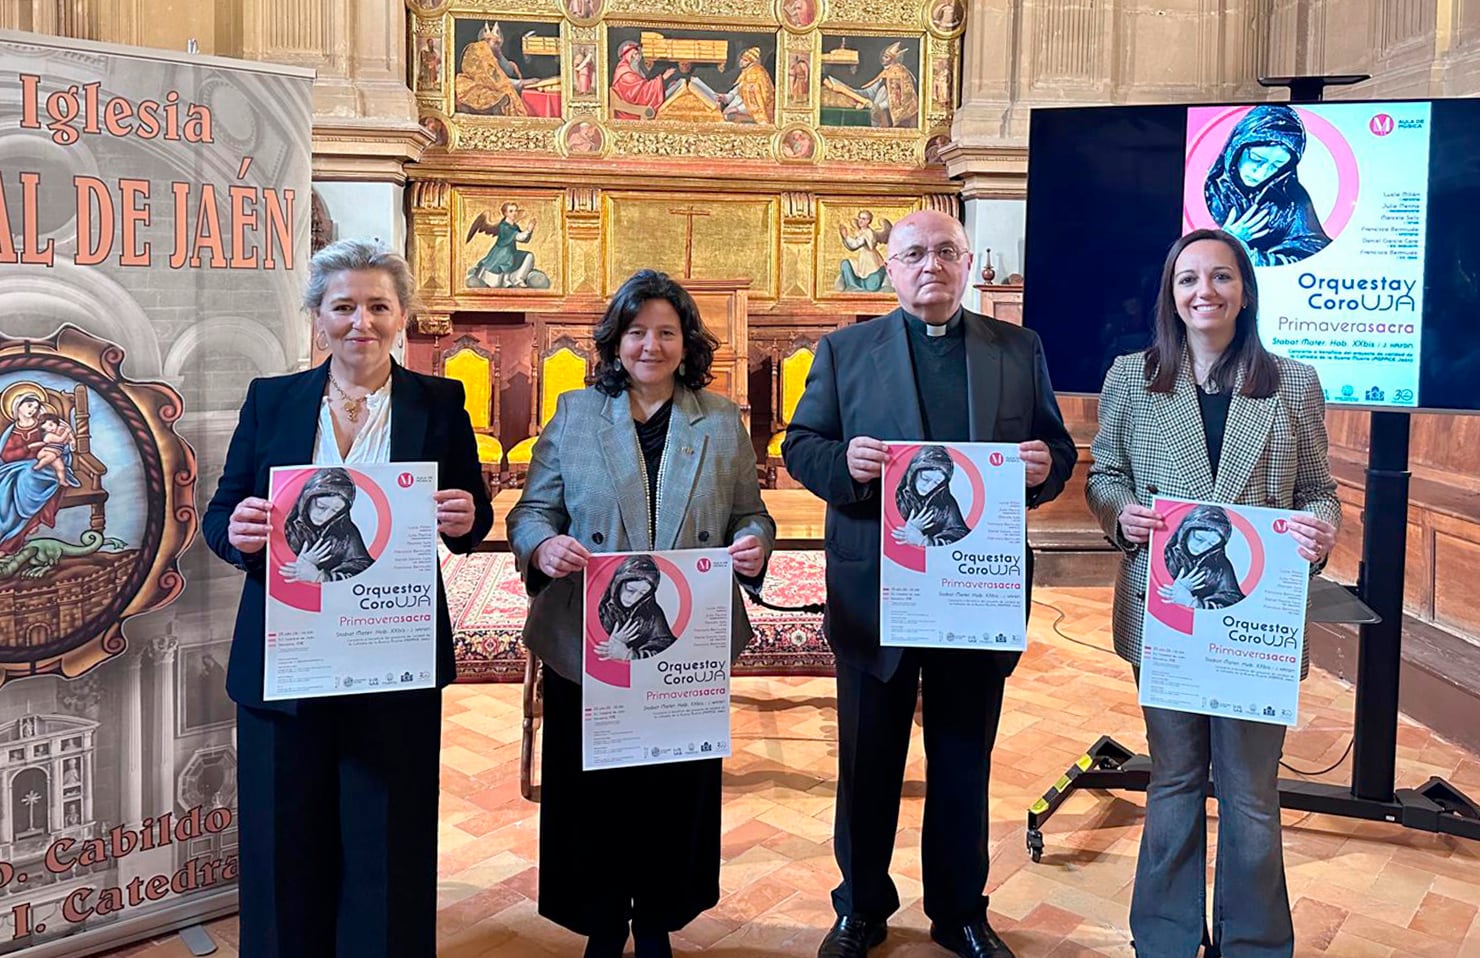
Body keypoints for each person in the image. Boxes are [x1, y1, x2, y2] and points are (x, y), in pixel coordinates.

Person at [782, 210, 1077, 958]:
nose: (931, 265)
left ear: (969, 263)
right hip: (877, 590)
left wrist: (1044, 470)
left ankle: (959, 912)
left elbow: (1057, 445)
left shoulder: (1019, 348)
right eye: (915, 253)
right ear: (889, 267)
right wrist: (844, 465)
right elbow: (801, 445)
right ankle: (860, 907)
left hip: (976, 592)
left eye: (947, 252)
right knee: (868, 760)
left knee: (961, 759)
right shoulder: (846, 351)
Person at [202, 238, 493, 958]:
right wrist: (236, 530)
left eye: (377, 306)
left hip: (388, 653)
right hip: (288, 654)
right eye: (343, 306)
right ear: (317, 314)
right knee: (282, 839)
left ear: (401, 317)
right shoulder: (274, 400)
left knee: (385, 839)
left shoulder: (438, 401)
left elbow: (470, 515)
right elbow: (224, 513)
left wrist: (465, 516)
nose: (360, 322)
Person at [1084, 228, 1341, 958]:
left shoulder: (1293, 382)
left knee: (1252, 793)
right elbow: (1105, 475)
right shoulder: (1132, 378)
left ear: (1245, 290)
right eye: (1189, 279)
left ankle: (1255, 943)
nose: (1206, 292)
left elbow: (1318, 490)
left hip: (1257, 622)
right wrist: (1121, 513)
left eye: (1222, 278)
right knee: (1173, 780)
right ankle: (1164, 939)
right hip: (1163, 618)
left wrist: (1319, 531)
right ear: (1171, 294)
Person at [508, 269, 775, 958]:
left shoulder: (717, 419)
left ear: (687, 343)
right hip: (589, 638)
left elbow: (751, 513)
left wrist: (752, 544)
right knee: (593, 786)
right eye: (636, 332)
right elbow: (533, 511)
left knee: (673, 787)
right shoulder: (574, 412)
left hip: (684, 635)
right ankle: (601, 918)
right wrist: (545, 544)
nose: (650, 345)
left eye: (666, 331)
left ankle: (657, 916)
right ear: (615, 341)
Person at [1203, 104, 1331, 266]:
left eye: (1276, 165)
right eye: (1256, 158)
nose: (1262, 172)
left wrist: (1248, 256)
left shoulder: (1291, 196)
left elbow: (1314, 250)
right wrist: (1225, 240)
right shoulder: (1207, 189)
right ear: (1236, 148)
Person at [279, 467, 374, 583]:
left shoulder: (346, 530)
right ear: (307, 499)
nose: (325, 516)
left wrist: (321, 577)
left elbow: (364, 568)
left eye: (335, 511)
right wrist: (299, 564)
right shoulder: (288, 527)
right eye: (321, 506)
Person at [0, 389, 67, 552]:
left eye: (36, 407)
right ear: (17, 406)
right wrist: (27, 449)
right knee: (9, 485)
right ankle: (7, 535)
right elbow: (6, 455)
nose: (32, 410)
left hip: (44, 469)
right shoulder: (12, 431)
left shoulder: (43, 427)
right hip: (14, 468)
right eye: (29, 405)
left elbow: (56, 446)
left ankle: (16, 536)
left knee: (29, 473)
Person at [1159, 503, 1246, 609]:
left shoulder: (1220, 565)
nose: (1201, 548)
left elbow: (1233, 600)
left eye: (1211, 544)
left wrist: (1194, 603)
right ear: (1185, 531)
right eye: (1199, 538)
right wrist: (1174, 588)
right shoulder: (1167, 554)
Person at [594, 553, 678, 660]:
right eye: (630, 589)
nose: (634, 598)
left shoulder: (651, 612)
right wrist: (612, 642)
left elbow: (667, 646)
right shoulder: (602, 608)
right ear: (618, 583)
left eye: (642, 593)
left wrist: (630, 655)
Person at [892, 444, 969, 547]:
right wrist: (909, 527)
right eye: (925, 478)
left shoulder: (945, 502)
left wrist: (925, 542)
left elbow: (960, 533)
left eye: (937, 482)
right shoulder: (898, 496)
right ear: (913, 473)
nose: (929, 487)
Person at [29, 412, 78, 487]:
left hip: (56, 455)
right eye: (46, 428)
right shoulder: (49, 435)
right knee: (52, 456)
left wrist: (72, 440)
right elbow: (60, 440)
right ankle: (39, 465)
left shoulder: (61, 429)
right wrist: (66, 432)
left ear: (56, 422)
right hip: (45, 452)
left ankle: (62, 480)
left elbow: (70, 435)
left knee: (60, 467)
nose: (50, 429)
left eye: (51, 425)